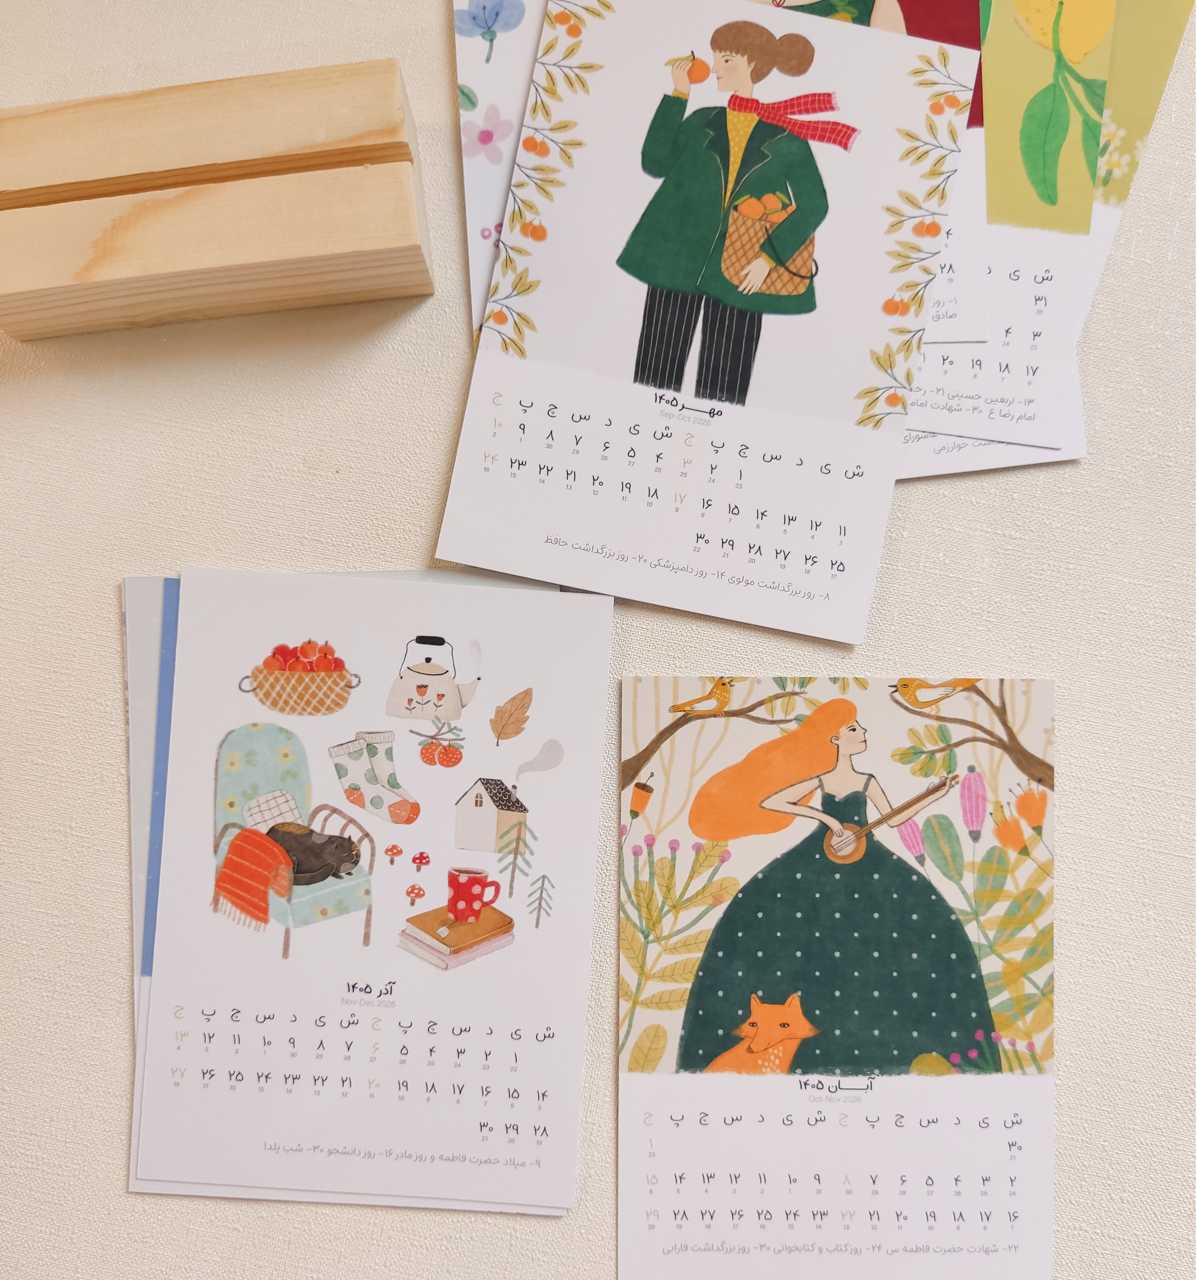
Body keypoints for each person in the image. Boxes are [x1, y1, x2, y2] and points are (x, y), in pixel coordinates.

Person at [676, 698, 998, 1075]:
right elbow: (774, 800)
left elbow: (894, 820)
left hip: (869, 865)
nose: (863, 733)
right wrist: (827, 821)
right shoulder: (824, 779)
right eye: (853, 729)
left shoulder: (867, 781)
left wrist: (933, 795)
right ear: (834, 739)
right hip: (817, 859)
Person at [616, 21, 856, 406]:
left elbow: (815, 204)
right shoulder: (701, 120)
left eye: (725, 59)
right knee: (651, 381)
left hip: (744, 270)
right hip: (675, 261)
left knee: (722, 395)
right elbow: (654, 163)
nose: (715, 68)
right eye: (716, 58)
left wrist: (769, 258)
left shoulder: (788, 139)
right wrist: (678, 95)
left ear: (752, 64)